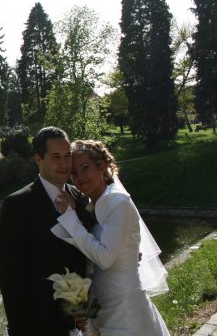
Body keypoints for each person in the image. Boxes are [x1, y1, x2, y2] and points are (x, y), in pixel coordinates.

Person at [51, 140, 170, 335]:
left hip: (126, 311)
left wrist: (70, 220)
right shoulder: (94, 204)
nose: (79, 177)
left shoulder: (117, 201)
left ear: (102, 167)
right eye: (74, 172)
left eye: (85, 168)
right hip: (103, 308)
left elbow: (105, 258)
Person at [0, 127, 93, 335]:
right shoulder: (18, 204)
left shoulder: (79, 197)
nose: (65, 164)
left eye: (67, 156)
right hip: (37, 323)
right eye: (56, 157)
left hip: (78, 320)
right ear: (38, 159)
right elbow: (10, 276)